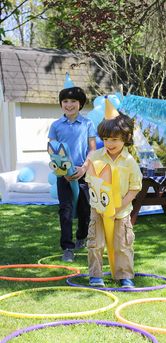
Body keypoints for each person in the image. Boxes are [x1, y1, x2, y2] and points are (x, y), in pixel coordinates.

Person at [85, 97, 142, 288]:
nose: (109, 143)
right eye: (106, 139)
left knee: (123, 244)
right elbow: (91, 183)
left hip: (121, 211)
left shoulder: (129, 161)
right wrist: (101, 205)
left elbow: (135, 187)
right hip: (99, 210)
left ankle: (124, 276)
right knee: (96, 242)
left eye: (114, 139)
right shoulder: (96, 157)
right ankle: (96, 275)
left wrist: (120, 205)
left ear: (125, 138)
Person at [48, 74, 96, 262]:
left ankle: (81, 237)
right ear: (61, 104)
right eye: (65, 101)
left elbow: (92, 149)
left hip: (83, 173)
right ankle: (67, 247)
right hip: (63, 175)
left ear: (80, 104)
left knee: (85, 210)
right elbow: (52, 149)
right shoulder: (55, 126)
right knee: (65, 211)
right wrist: (63, 171)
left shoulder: (87, 124)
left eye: (73, 101)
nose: (69, 105)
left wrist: (84, 168)